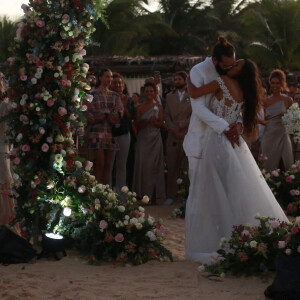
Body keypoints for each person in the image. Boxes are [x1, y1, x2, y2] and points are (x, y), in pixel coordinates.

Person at [184, 37, 288, 264]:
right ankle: (238, 235)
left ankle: (223, 239)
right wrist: (236, 124)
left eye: (236, 64)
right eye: (230, 63)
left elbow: (194, 95)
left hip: (216, 142)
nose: (232, 66)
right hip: (232, 143)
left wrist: (188, 85)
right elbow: (204, 109)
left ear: (238, 71)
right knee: (238, 189)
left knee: (212, 192)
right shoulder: (244, 90)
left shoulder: (222, 81)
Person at [85, 68, 123, 184]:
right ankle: (97, 192)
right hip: (96, 132)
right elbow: (91, 113)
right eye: (107, 76)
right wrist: (108, 113)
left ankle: (106, 193)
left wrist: (105, 113)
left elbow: (118, 114)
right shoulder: (92, 94)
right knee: (99, 163)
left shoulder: (115, 95)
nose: (109, 79)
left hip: (110, 132)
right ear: (100, 78)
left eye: (111, 77)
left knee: (108, 165)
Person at [133, 82, 165, 204]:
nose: (149, 93)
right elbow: (137, 124)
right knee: (143, 165)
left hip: (155, 138)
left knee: (155, 166)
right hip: (143, 138)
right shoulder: (139, 108)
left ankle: (156, 194)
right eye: (147, 91)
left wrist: (155, 122)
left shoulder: (159, 106)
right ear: (143, 93)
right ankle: (143, 193)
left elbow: (161, 123)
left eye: (151, 91)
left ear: (155, 93)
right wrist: (147, 122)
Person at [164, 71, 192, 204]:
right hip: (172, 136)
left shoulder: (192, 96)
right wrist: (172, 128)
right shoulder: (169, 97)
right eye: (175, 79)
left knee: (188, 168)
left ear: (185, 81)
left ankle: (187, 195)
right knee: (172, 167)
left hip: (187, 134)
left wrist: (181, 126)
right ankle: (171, 195)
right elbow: (166, 115)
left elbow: (193, 115)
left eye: (179, 79)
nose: (177, 81)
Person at [261, 69, 293, 172]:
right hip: (269, 135)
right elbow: (263, 119)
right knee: (267, 168)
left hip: (283, 134)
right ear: (270, 83)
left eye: (278, 83)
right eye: (273, 82)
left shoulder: (288, 100)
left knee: (288, 165)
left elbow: (292, 119)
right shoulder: (265, 101)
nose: (275, 85)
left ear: (282, 84)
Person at [0, 72, 20, 234]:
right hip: (4, 149)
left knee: (5, 186)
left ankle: (7, 227)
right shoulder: (7, 105)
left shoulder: (6, 106)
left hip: (3, 151)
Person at [109, 73, 131, 198]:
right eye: (115, 82)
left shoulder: (129, 99)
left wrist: (124, 105)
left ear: (123, 85)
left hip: (124, 133)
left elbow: (130, 117)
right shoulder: (108, 97)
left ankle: (122, 195)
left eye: (120, 83)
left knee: (121, 165)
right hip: (110, 134)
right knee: (109, 165)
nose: (117, 85)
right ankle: (108, 194)